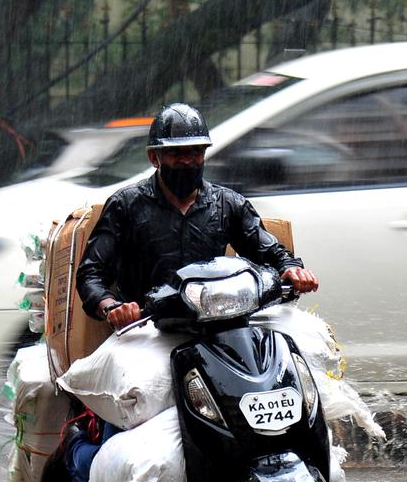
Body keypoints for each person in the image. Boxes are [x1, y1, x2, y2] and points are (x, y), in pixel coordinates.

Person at [77, 102, 319, 329]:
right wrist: (113, 308)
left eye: (195, 152)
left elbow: (271, 252)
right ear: (154, 158)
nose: (187, 161)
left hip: (215, 326)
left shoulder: (228, 204)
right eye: (176, 153)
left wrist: (291, 269)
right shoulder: (125, 205)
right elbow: (91, 274)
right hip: (147, 329)